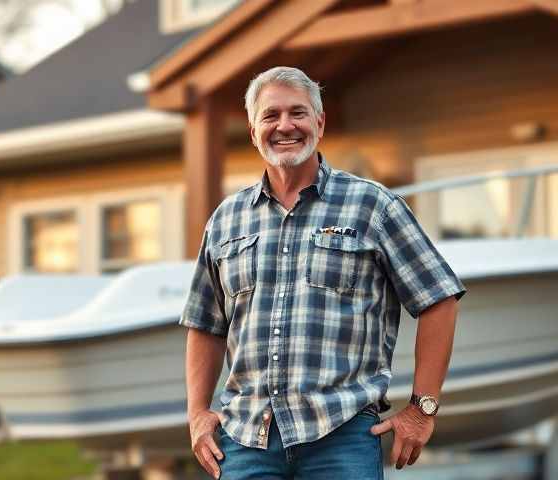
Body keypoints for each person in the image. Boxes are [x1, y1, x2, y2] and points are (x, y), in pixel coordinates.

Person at [179, 66, 466, 480]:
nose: (285, 126)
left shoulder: (373, 206)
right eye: (270, 115)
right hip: (245, 441)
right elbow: (205, 323)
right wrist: (196, 415)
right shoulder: (226, 219)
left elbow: (438, 298)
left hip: (342, 436)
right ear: (252, 129)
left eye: (297, 113)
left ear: (320, 121)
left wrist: (423, 409)